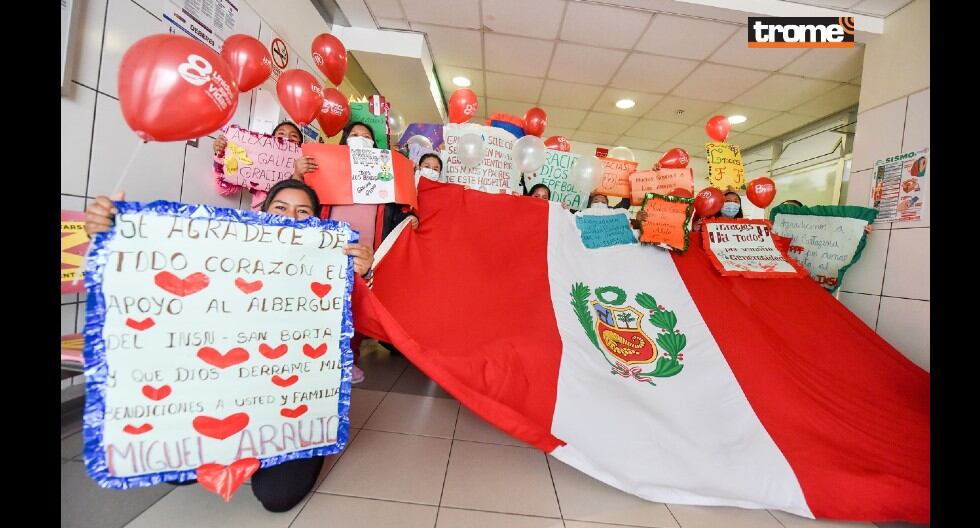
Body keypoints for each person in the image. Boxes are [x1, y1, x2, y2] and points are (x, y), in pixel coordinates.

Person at [82, 179, 373, 513]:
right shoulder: (226, 255)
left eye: (303, 212)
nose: (291, 218)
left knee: (279, 498)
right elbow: (152, 265)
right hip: (234, 390)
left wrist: (359, 275)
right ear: (263, 213)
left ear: (317, 222)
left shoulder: (330, 263)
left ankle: (278, 449)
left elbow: (361, 319)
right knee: (177, 470)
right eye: (281, 208)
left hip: (292, 403)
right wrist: (109, 232)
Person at [213, 121, 306, 210]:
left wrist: (298, 175)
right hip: (260, 222)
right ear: (271, 139)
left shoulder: (307, 172)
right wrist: (221, 155)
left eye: (293, 136)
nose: (287, 138)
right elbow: (222, 190)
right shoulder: (255, 168)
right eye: (281, 134)